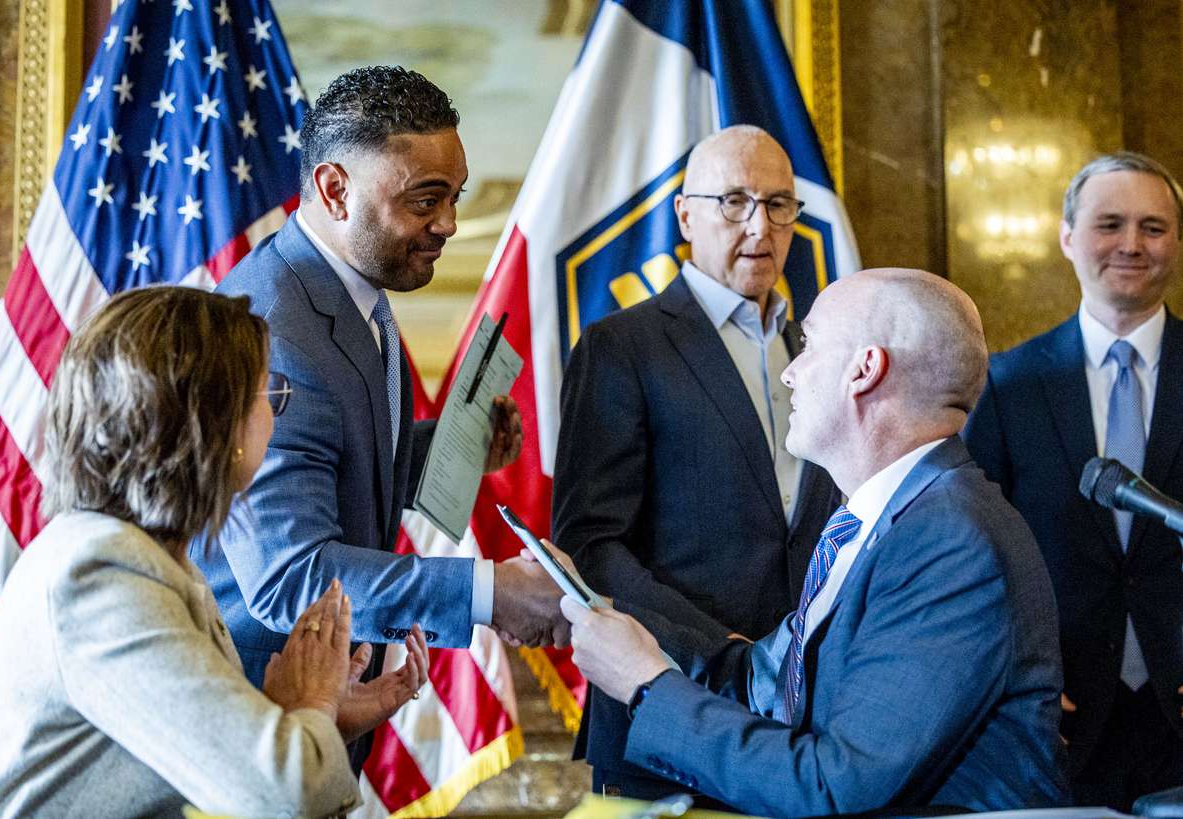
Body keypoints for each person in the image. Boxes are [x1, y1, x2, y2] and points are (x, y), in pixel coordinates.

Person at [555, 268, 1069, 815]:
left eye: (809, 345)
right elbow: (762, 680)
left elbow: (834, 786)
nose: (791, 374)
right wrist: (609, 616)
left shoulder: (950, 542)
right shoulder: (882, 519)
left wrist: (647, 687)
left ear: (865, 370)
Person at [0, 287, 429, 818]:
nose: (275, 415)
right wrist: (313, 708)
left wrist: (302, 722)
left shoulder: (149, 556)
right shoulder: (100, 575)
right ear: (215, 425)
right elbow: (286, 792)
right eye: (268, 393)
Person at [194, 66, 566, 696]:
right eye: (425, 199)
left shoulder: (354, 279)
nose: (449, 222)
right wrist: (488, 591)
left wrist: (446, 448)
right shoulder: (275, 336)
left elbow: (334, 456)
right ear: (335, 189)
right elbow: (292, 577)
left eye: (455, 195)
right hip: (257, 719)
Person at [552, 124, 839, 801]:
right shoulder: (621, 346)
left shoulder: (817, 346)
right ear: (685, 216)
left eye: (778, 204)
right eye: (734, 201)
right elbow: (590, 545)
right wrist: (723, 652)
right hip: (666, 706)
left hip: (805, 722)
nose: (759, 225)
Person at [964, 151, 1183, 810]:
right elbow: (975, 546)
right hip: (1056, 713)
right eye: (1109, 223)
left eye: (1154, 227)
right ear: (1066, 237)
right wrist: (1013, 671)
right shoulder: (1009, 382)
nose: (1131, 244)